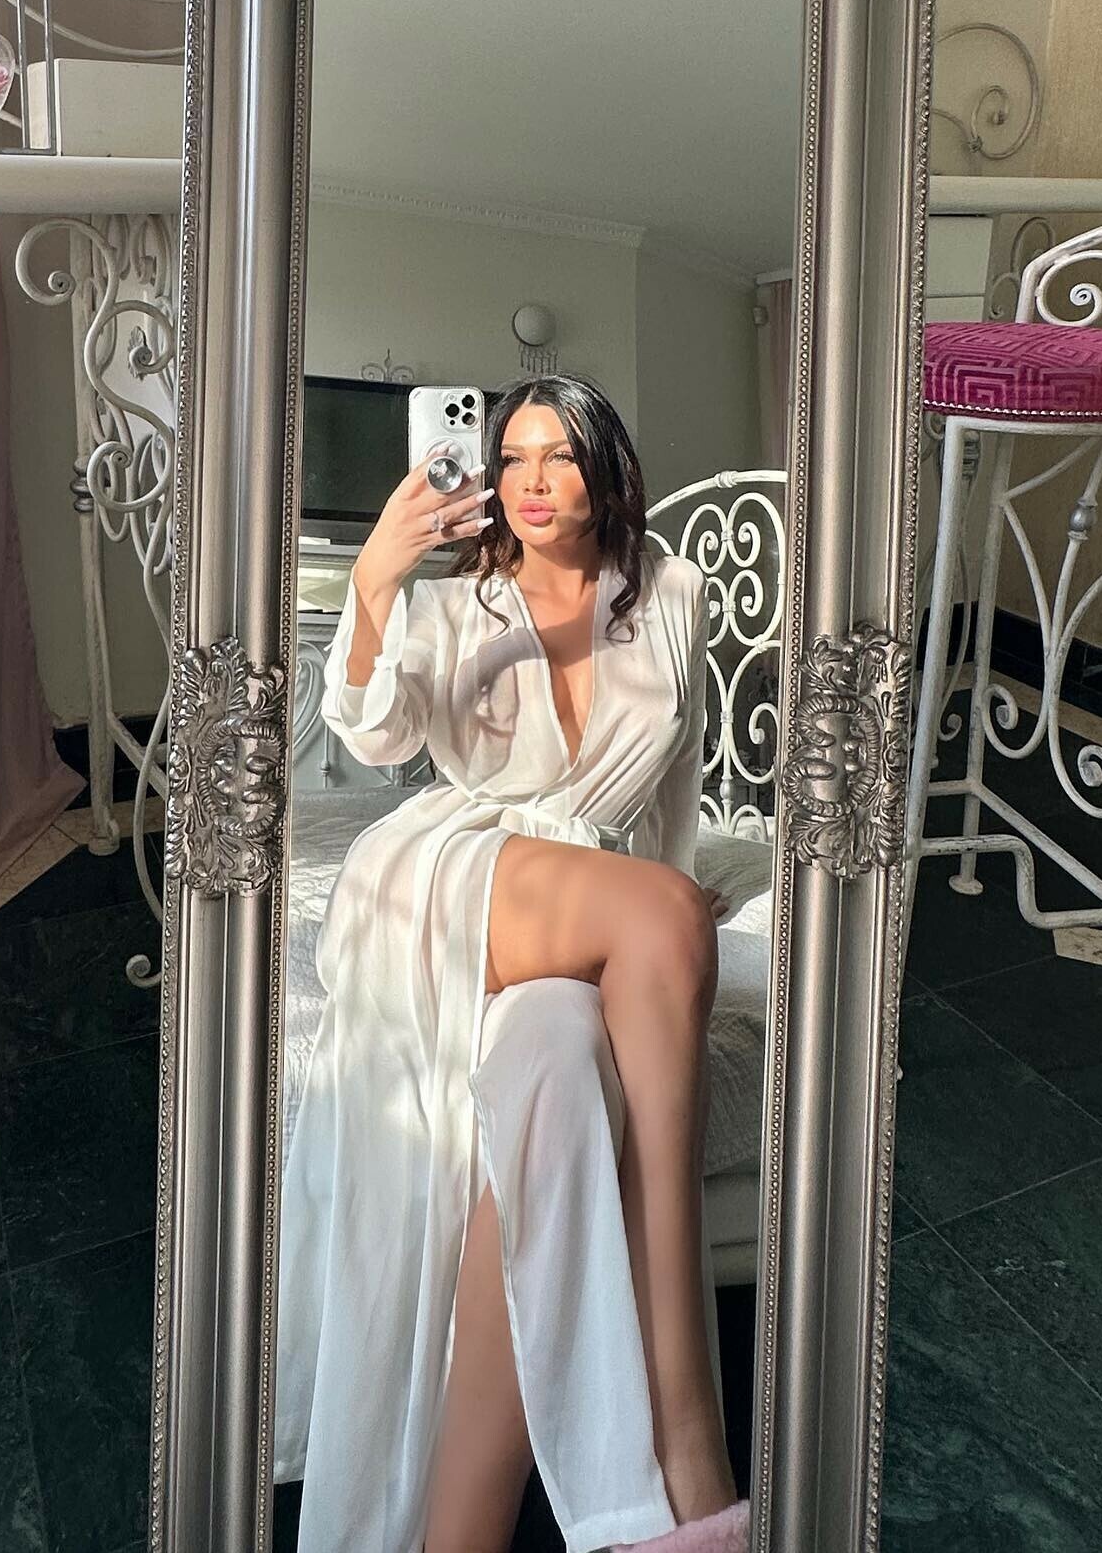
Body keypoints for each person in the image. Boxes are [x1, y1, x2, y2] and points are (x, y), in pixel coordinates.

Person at [274, 373, 750, 1553]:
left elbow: (674, 782)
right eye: (514, 458)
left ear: (606, 467)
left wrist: (659, 910)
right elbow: (374, 735)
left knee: (552, 1069)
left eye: (560, 456)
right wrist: (379, 576)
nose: (533, 481)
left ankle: (459, 1534)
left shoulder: (673, 592)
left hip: (584, 901)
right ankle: (689, 1437)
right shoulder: (452, 603)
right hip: (443, 878)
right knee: (665, 919)